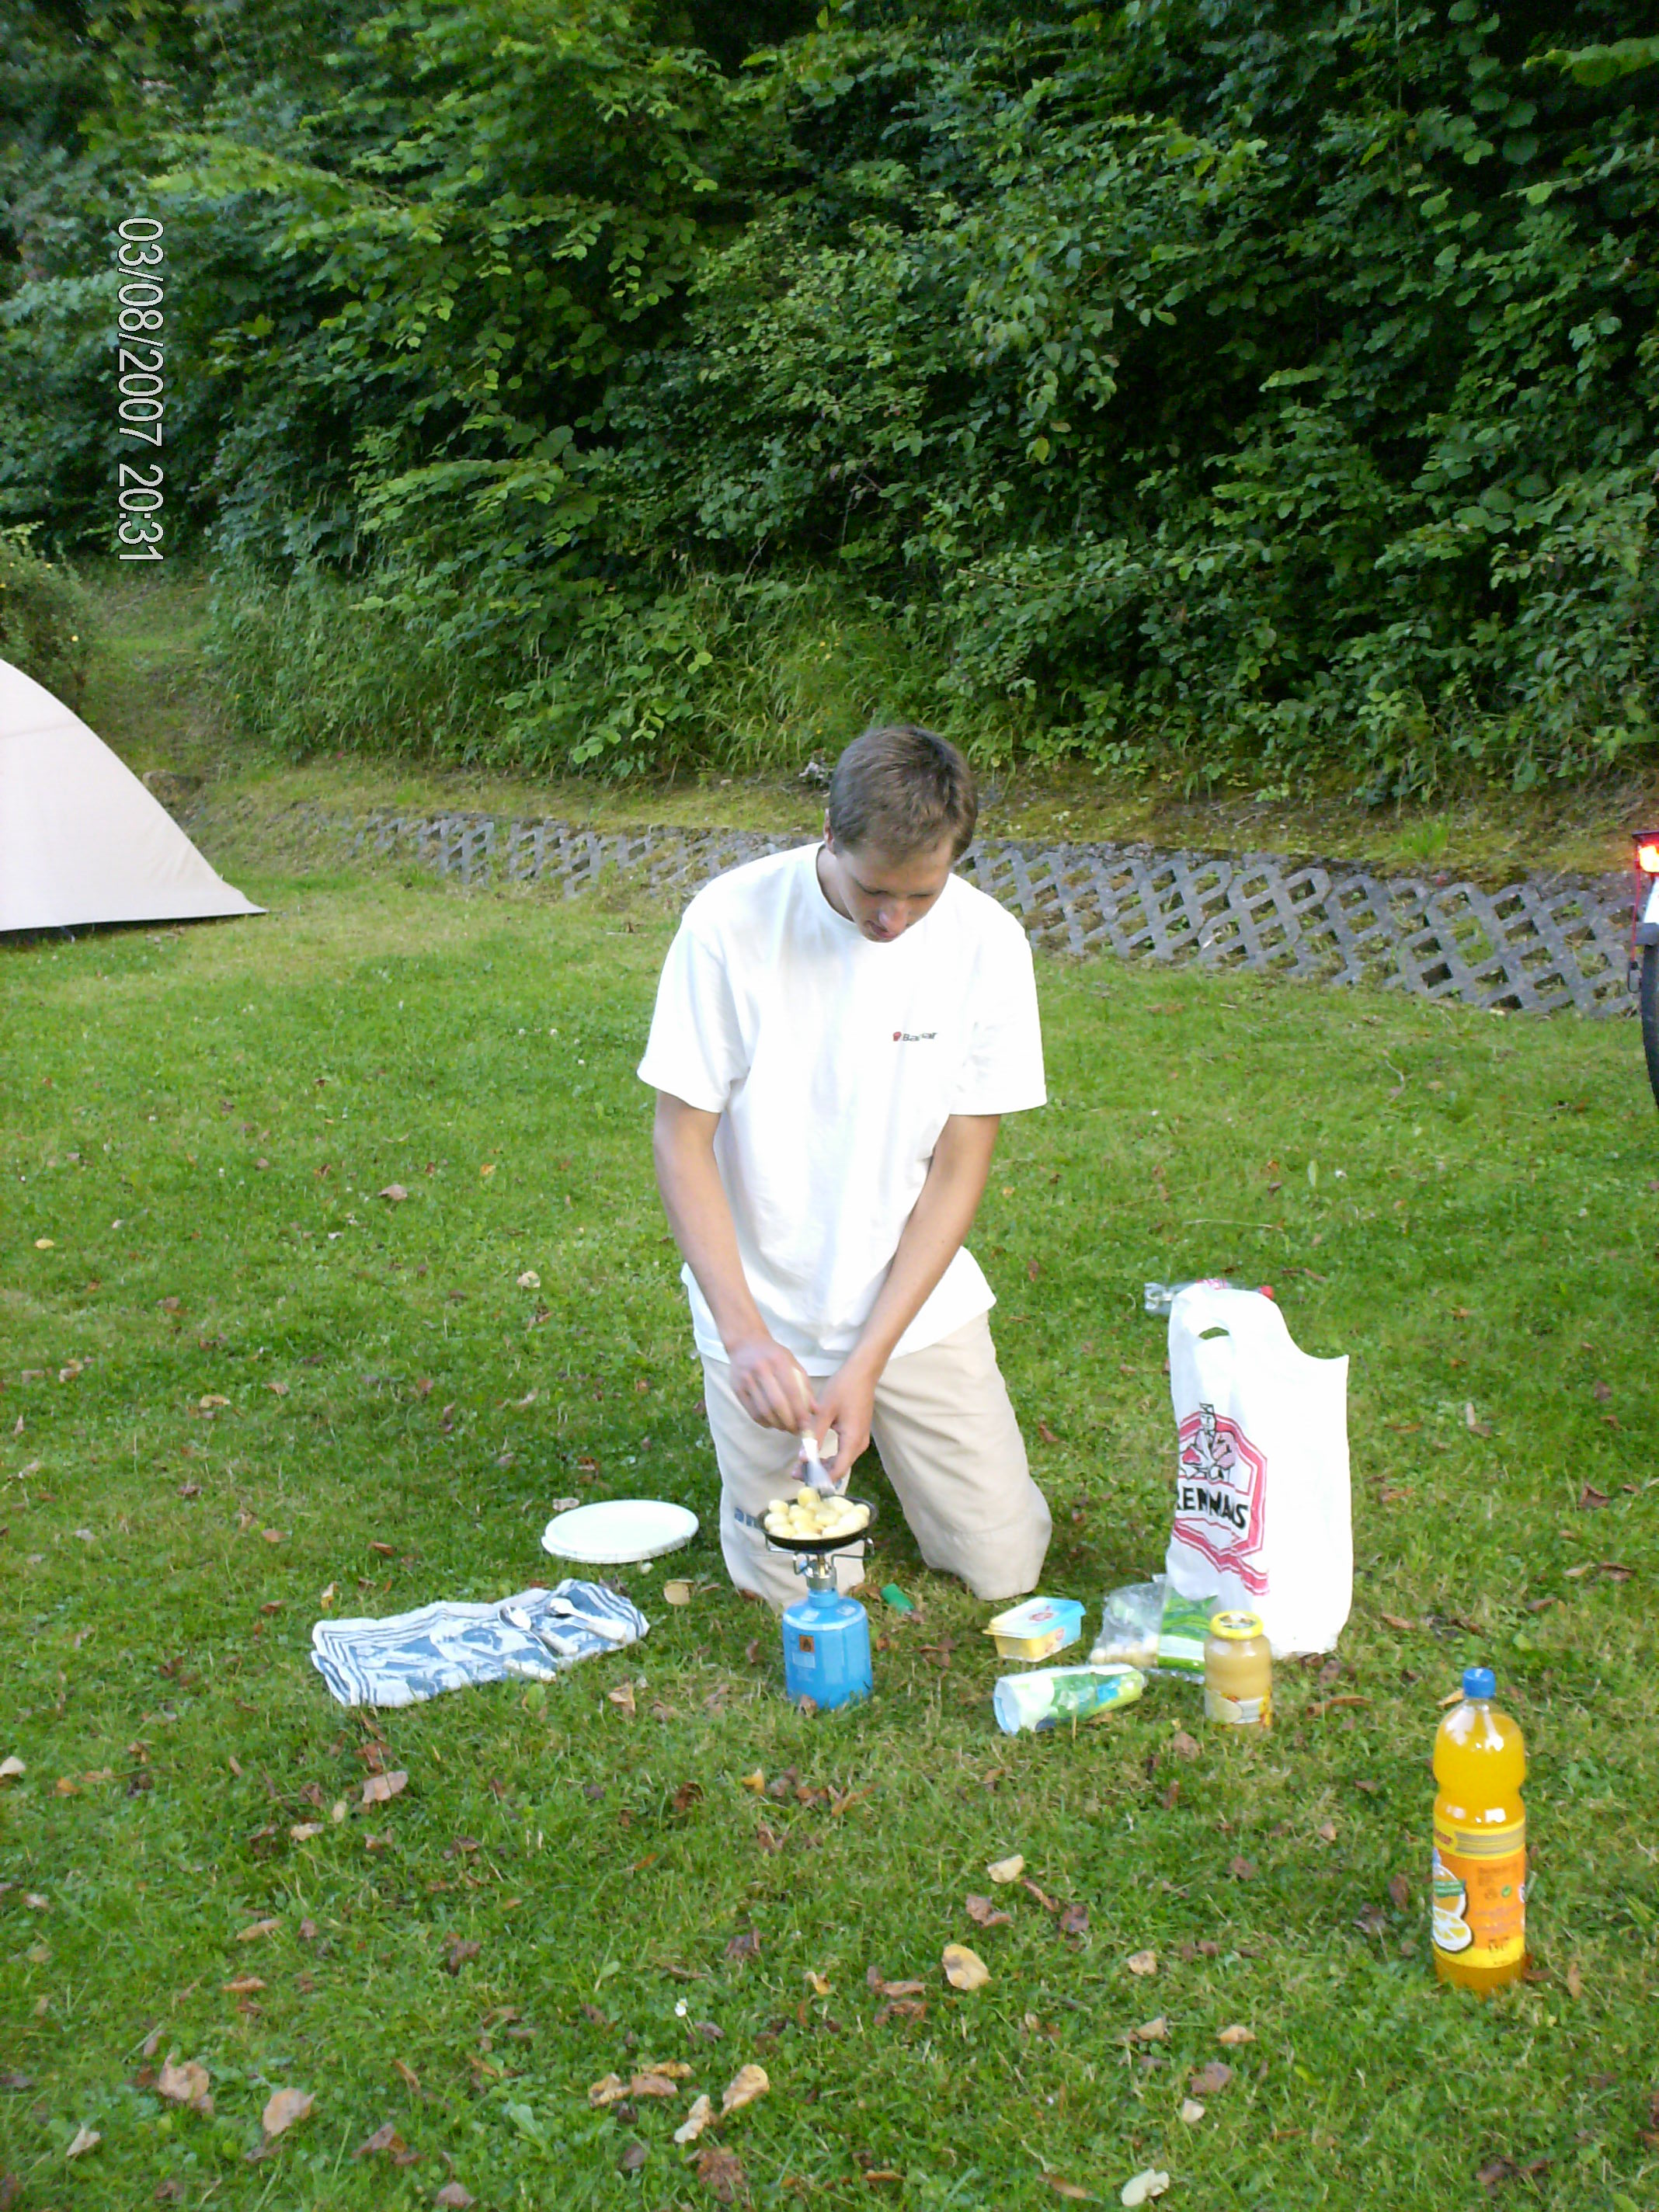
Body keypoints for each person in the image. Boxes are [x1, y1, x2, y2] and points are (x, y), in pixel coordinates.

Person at [637, 723, 1052, 1609]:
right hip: (768, 1315)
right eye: (872, 889)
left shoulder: (990, 943)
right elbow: (681, 1138)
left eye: (921, 894)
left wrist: (867, 1362)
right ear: (829, 833)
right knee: (802, 1589)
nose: (891, 919)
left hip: (913, 1306)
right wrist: (746, 1338)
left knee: (1006, 1569)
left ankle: (894, 1440)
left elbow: (959, 1168)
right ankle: (832, 1436)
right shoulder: (729, 922)